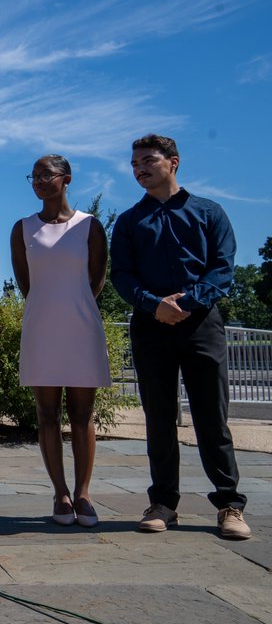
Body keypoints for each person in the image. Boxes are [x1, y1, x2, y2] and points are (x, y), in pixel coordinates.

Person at [111, 134, 250, 540]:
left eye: (148, 160)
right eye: (135, 162)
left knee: (211, 417)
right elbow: (122, 275)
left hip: (202, 324)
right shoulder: (130, 221)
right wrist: (155, 304)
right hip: (151, 326)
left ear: (173, 162)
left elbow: (222, 268)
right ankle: (164, 503)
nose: (139, 168)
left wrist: (188, 302)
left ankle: (229, 504)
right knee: (158, 418)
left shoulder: (209, 212)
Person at [9, 155, 111, 528]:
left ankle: (83, 493)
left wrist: (74, 306)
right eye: (33, 175)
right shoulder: (22, 228)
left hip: (82, 328)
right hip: (41, 328)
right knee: (47, 414)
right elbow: (25, 283)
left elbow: (96, 281)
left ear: (66, 179)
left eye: (45, 175)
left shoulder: (90, 226)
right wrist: (49, 308)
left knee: (83, 414)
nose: (38, 181)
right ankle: (60, 493)